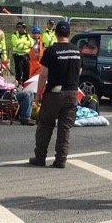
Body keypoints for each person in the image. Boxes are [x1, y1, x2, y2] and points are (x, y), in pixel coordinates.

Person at [29, 21, 80, 169]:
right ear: (69, 34)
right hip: (72, 93)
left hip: (54, 93)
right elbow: (79, 72)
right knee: (65, 128)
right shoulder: (77, 51)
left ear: (56, 34)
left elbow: (43, 74)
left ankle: (40, 158)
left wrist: (38, 94)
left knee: (45, 125)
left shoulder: (51, 51)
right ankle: (61, 160)